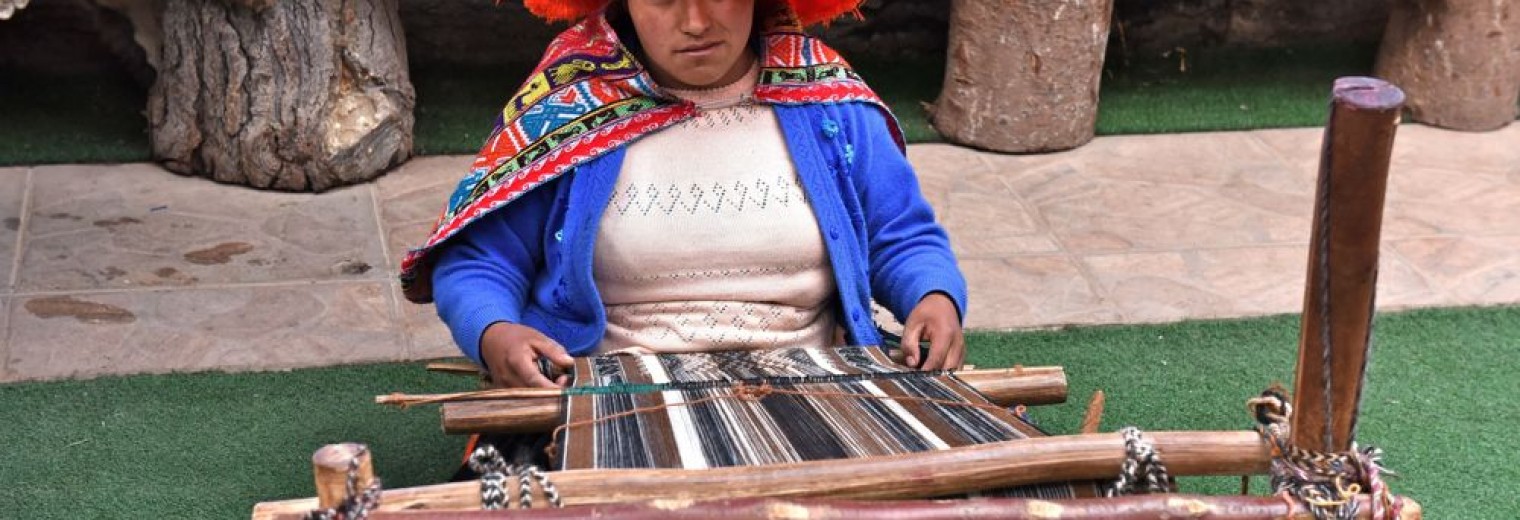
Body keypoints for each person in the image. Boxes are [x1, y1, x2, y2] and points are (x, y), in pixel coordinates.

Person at [399, 0, 968, 392]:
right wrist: (496, 332)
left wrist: (934, 296)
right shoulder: (569, 108)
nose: (695, 21)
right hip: (612, 400)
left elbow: (901, 236)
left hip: (812, 384)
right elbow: (479, 262)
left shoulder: (826, 103)